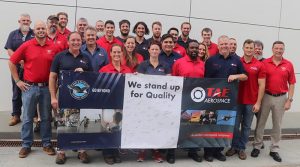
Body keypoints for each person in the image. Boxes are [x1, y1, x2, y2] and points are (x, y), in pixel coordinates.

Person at [8, 20, 58, 158]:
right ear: (34, 31)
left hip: (47, 88)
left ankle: (47, 144)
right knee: (28, 118)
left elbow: (58, 66)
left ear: (46, 30)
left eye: (43, 28)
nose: (41, 30)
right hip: (29, 87)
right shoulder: (26, 45)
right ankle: (26, 145)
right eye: (38, 28)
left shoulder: (53, 47)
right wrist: (18, 81)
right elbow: (12, 61)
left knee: (47, 117)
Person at [49, 32, 93, 164]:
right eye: (73, 40)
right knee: (63, 124)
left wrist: (84, 73)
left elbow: (92, 78)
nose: (76, 42)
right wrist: (53, 97)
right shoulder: (60, 57)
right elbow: (52, 77)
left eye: (78, 40)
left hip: (82, 97)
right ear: (68, 41)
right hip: (63, 96)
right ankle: (62, 151)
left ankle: (81, 150)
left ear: (82, 41)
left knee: (81, 124)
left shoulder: (86, 58)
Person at [204, 35, 248, 162]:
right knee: (210, 125)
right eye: (222, 44)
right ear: (218, 46)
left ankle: (218, 151)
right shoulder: (211, 60)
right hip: (213, 100)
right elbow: (206, 80)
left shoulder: (237, 60)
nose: (224, 46)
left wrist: (236, 76)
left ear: (230, 46)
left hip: (229, 101)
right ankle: (208, 152)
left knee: (224, 125)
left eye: (226, 44)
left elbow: (245, 76)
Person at [252, 41, 296, 162]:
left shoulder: (288, 64)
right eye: (276, 48)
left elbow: (292, 83)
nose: (278, 50)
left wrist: (289, 100)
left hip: (281, 98)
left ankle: (274, 149)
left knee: (277, 124)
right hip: (266, 96)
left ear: (283, 50)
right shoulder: (265, 63)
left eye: (281, 48)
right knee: (261, 122)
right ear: (272, 49)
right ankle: (257, 146)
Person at [225, 39, 266, 160]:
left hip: (251, 101)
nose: (249, 50)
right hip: (236, 100)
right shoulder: (236, 62)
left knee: (247, 126)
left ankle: (242, 148)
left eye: (251, 48)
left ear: (254, 49)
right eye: (247, 47)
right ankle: (234, 146)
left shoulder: (259, 65)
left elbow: (262, 85)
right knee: (234, 126)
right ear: (243, 48)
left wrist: (258, 103)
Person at [172, 40, 205, 163]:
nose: (194, 50)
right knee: (177, 127)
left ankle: (193, 151)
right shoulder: (179, 63)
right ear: (187, 49)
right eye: (192, 48)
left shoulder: (202, 64)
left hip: (196, 102)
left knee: (194, 127)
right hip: (180, 100)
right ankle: (171, 152)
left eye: (196, 48)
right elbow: (173, 82)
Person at [136, 41, 168, 163]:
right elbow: (138, 84)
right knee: (144, 126)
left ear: (160, 51)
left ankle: (156, 152)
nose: (154, 51)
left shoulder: (165, 66)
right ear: (148, 50)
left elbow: (170, 83)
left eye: (157, 49)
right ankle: (142, 151)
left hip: (160, 103)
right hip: (145, 103)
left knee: (157, 127)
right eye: (152, 49)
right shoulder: (143, 65)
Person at [99, 44, 131, 165]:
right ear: (110, 54)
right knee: (108, 127)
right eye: (115, 52)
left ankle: (115, 151)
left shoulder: (127, 70)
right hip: (107, 103)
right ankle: (107, 153)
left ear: (122, 54)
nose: (117, 54)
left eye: (119, 52)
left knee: (118, 127)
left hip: (122, 104)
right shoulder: (104, 69)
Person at [5, 13, 34, 126]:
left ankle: (34, 116)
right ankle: (16, 115)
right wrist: (19, 60)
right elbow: (9, 50)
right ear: (19, 21)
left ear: (30, 22)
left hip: (30, 68)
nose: (25, 22)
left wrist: (26, 61)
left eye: (27, 20)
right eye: (23, 20)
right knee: (17, 91)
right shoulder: (13, 34)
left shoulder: (34, 34)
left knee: (32, 91)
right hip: (16, 67)